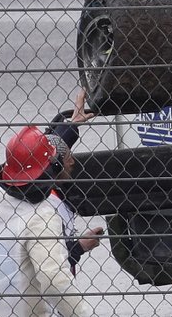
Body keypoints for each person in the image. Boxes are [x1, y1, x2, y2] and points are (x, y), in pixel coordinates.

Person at [0, 118, 97, 316]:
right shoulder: (42, 215)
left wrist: (71, 125)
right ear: (54, 167)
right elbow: (53, 279)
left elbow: (37, 153)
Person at [46, 88, 104, 277]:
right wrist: (79, 247)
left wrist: (72, 124)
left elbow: (48, 149)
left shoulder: (41, 188)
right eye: (68, 158)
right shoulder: (48, 207)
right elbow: (47, 262)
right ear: (55, 166)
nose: (73, 162)